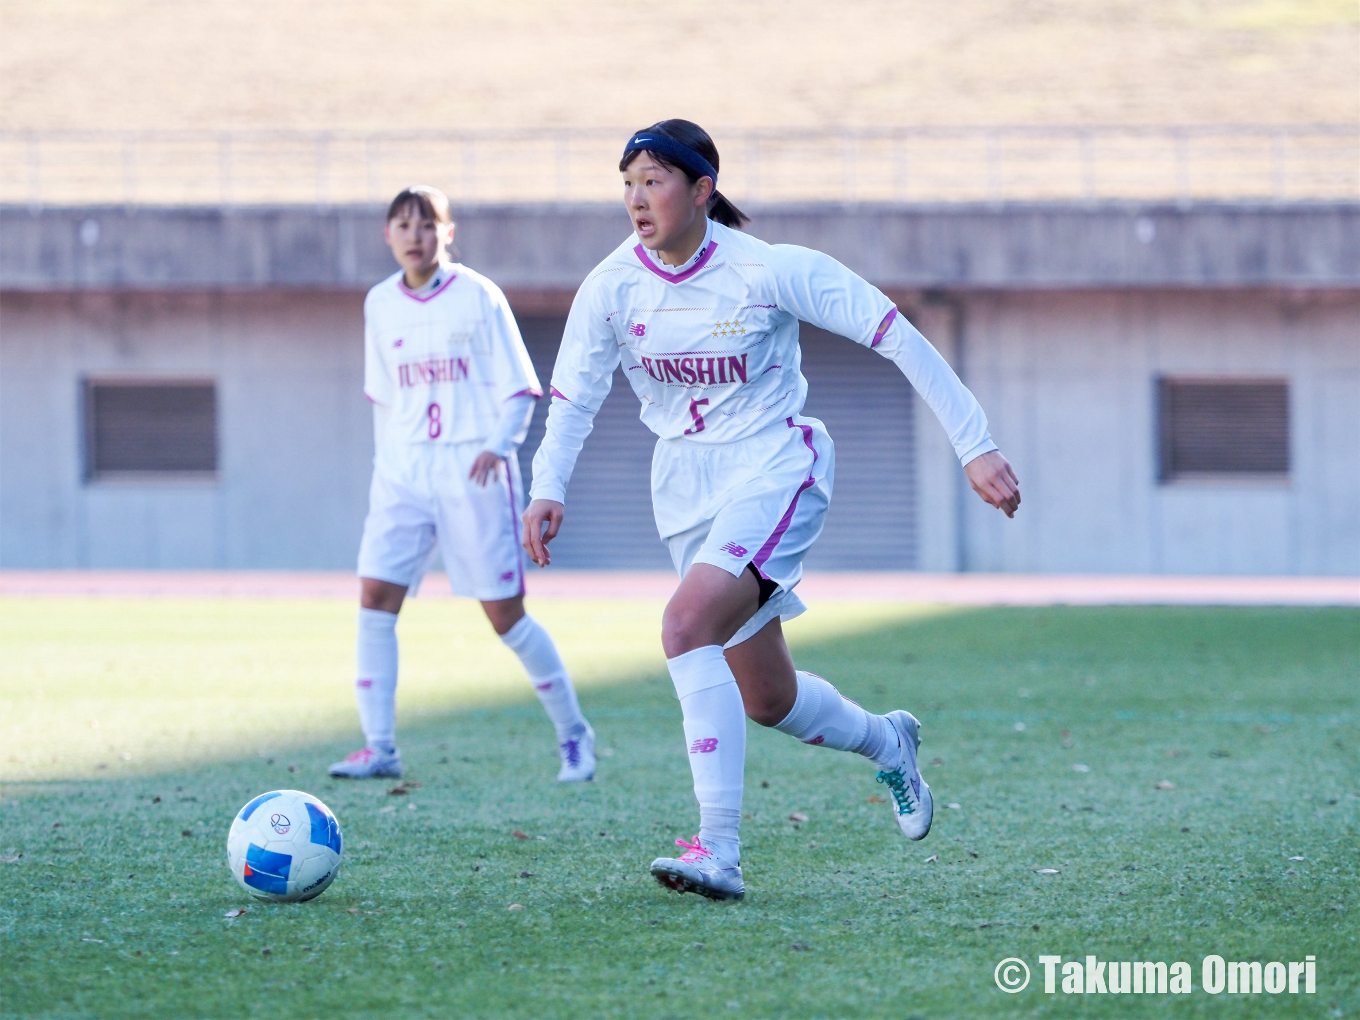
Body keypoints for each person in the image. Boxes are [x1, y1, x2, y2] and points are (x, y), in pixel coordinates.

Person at [523, 122, 1020, 900]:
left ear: (702, 189)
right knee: (768, 699)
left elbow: (895, 334)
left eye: (653, 180)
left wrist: (975, 443)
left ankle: (718, 851)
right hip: (684, 489)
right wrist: (546, 486)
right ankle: (890, 742)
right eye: (627, 182)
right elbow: (574, 395)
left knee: (685, 627)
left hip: (777, 464)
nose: (636, 198)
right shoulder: (612, 285)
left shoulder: (769, 269)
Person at [330, 185, 595, 784]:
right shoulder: (379, 302)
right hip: (402, 472)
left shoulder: (478, 295)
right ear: (388, 235)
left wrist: (496, 446)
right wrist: (387, 465)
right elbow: (384, 398)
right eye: (402, 224)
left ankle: (574, 733)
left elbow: (522, 387)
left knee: (504, 615)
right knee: (375, 598)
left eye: (426, 224)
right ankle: (379, 747)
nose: (414, 235)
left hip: (471, 469)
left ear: (447, 232)